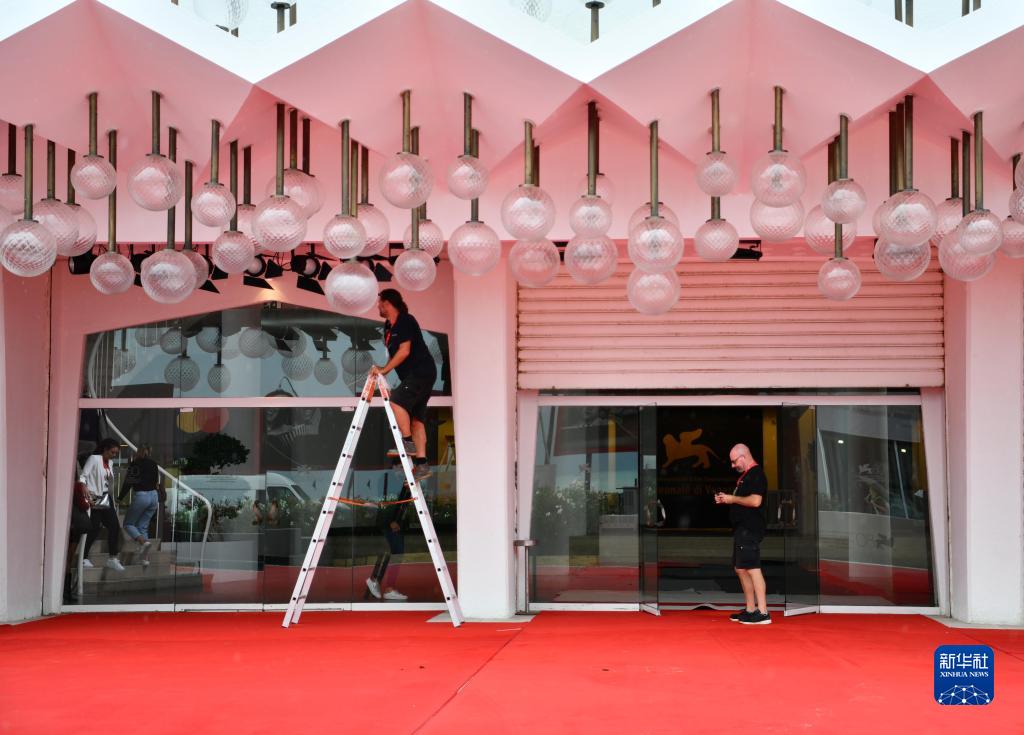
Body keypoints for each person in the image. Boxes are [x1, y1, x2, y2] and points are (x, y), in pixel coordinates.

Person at [371, 289, 437, 481]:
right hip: (416, 375)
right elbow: (395, 354)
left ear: (387, 303)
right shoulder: (388, 326)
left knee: (396, 401)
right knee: (416, 419)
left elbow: (404, 351)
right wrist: (384, 370)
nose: (377, 306)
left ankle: (407, 442)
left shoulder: (406, 320)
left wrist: (384, 370)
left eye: (379, 303)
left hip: (421, 372)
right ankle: (422, 464)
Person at [715, 444, 771, 625]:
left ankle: (763, 612)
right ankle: (750, 609)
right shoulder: (746, 476)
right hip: (742, 529)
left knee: (752, 567)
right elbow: (744, 500)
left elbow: (755, 501)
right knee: (740, 568)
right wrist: (727, 499)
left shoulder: (757, 474)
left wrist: (732, 498)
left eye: (734, 462)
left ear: (743, 456)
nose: (733, 466)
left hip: (750, 528)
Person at [81, 438, 125, 572]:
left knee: (114, 526)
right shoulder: (94, 459)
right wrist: (84, 486)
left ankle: (112, 558)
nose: (114, 455)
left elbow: (108, 482)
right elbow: (83, 476)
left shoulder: (110, 463)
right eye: (112, 452)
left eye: (116, 453)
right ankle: (83, 557)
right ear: (105, 449)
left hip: (106, 497)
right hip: (94, 497)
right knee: (94, 528)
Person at [366, 478, 411, 602]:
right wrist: (393, 521)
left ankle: (377, 582)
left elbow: (400, 504)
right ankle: (387, 588)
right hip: (392, 524)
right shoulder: (392, 480)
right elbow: (388, 502)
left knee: (392, 554)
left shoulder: (397, 480)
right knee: (396, 554)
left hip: (394, 523)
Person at [120, 444, 161, 567]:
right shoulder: (154, 463)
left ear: (138, 451)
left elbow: (128, 483)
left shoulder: (135, 464)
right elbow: (156, 482)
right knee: (142, 527)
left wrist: (120, 497)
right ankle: (144, 559)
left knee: (128, 524)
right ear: (149, 451)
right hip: (154, 496)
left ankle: (143, 542)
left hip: (142, 496)